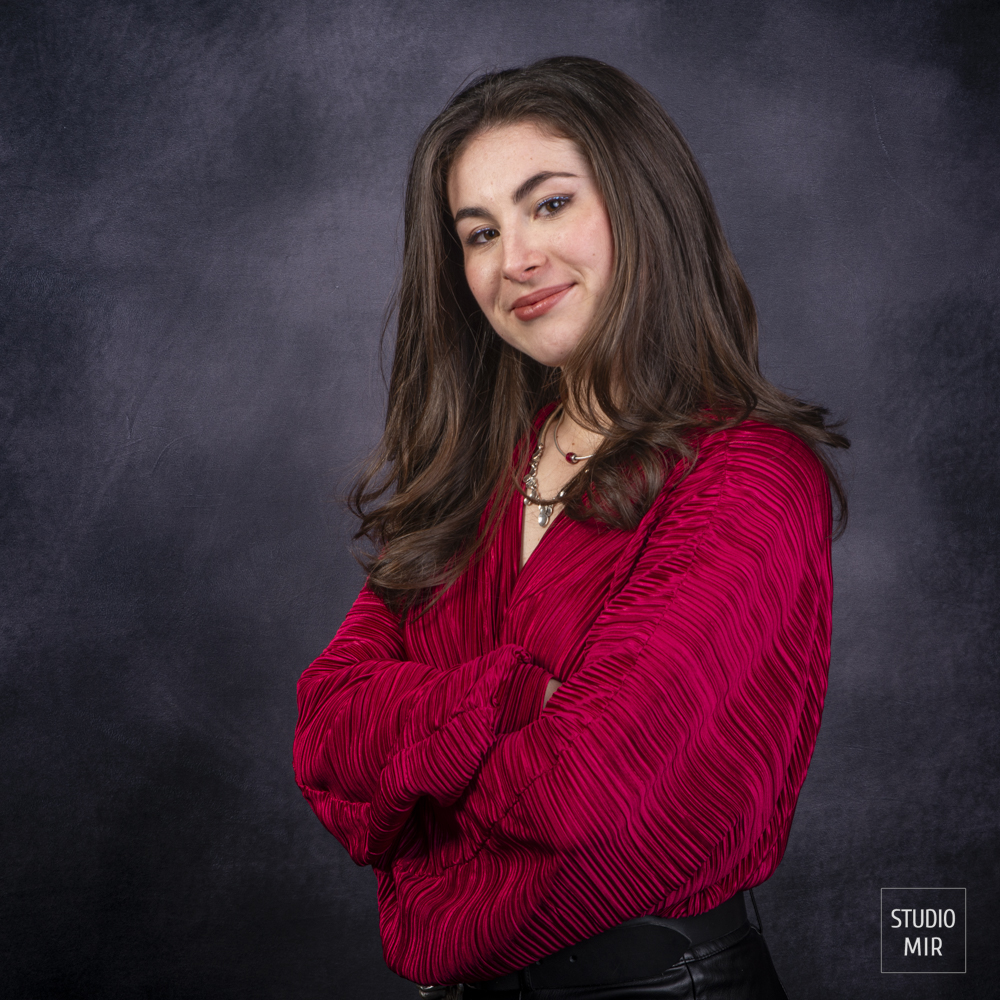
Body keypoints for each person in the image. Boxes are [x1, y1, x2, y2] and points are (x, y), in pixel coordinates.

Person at [293, 56, 848, 999]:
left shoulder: (749, 475)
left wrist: (423, 758)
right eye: (479, 232)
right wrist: (517, 698)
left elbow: (575, 789)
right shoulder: (479, 472)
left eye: (548, 205)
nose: (513, 259)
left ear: (643, 203)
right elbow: (325, 733)